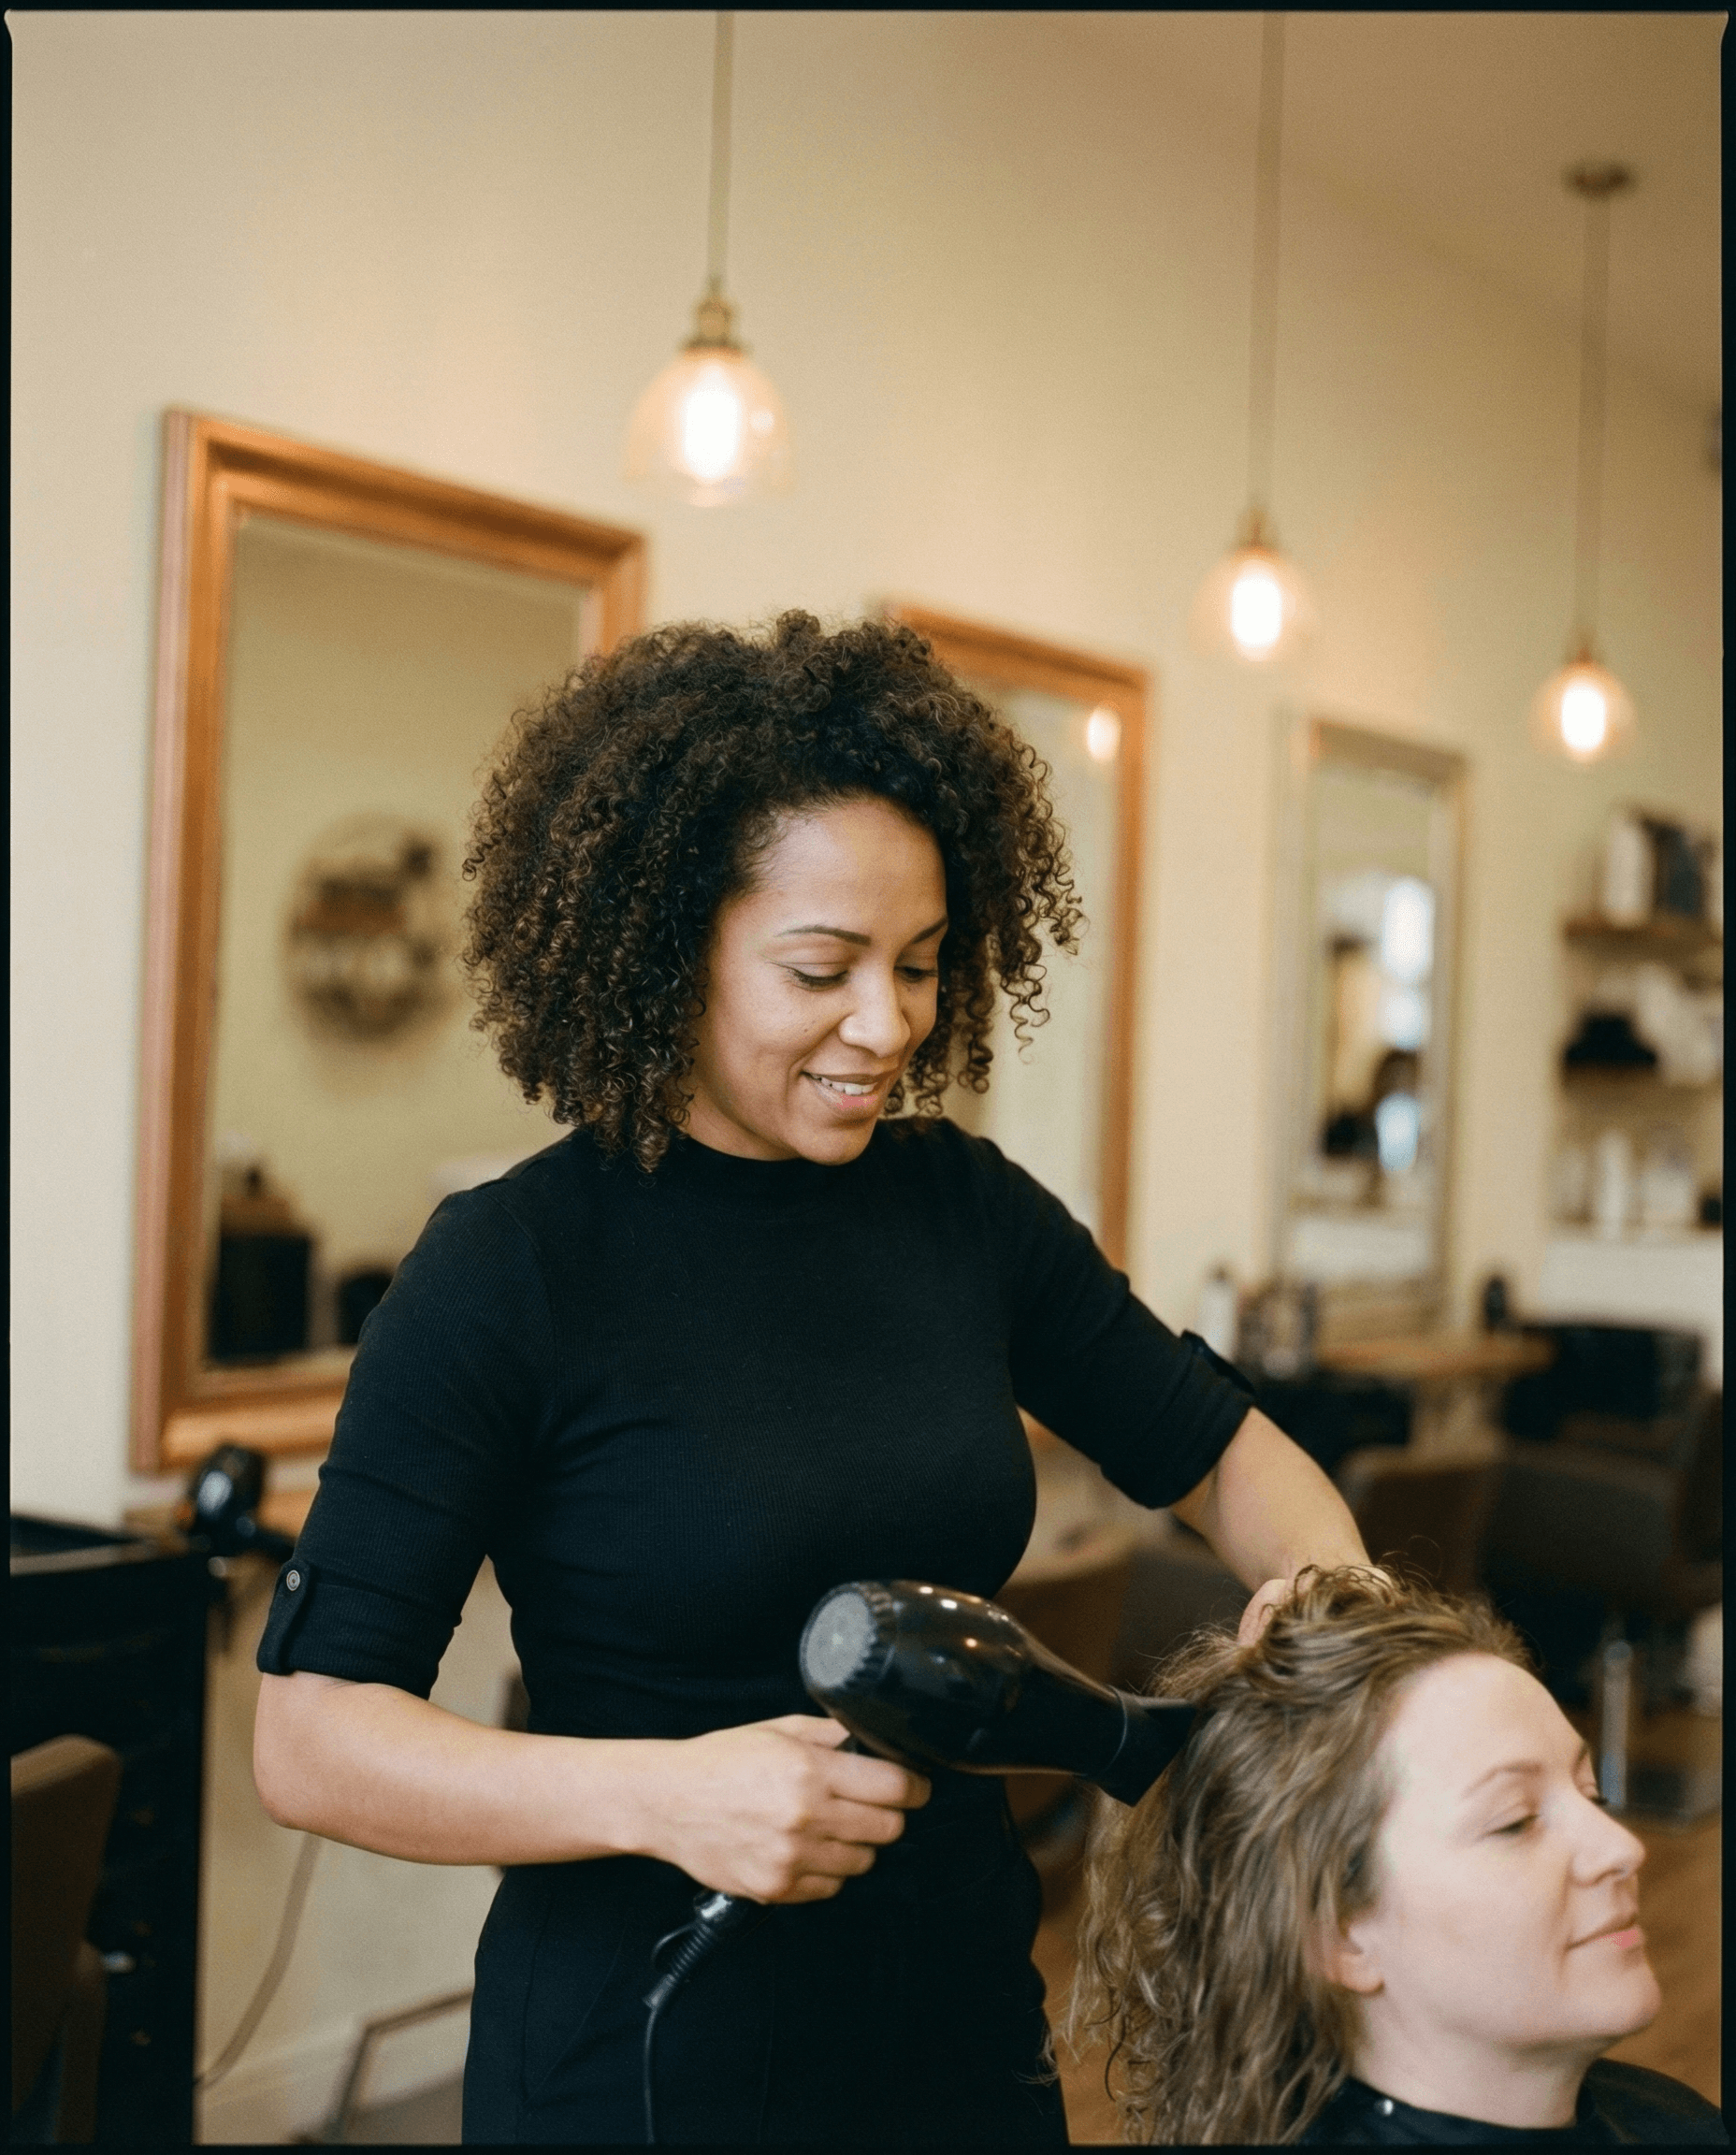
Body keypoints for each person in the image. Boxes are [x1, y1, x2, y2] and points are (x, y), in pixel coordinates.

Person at [252, 612, 1377, 2147]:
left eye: (917, 965)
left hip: (960, 2021)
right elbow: (312, 1735)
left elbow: (1220, 1446)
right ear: (668, 947)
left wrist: (1326, 1606)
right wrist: (665, 1795)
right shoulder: (510, 1267)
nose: (888, 1022)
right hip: (645, 2050)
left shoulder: (963, 1211)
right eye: (820, 966)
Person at [1072, 1567, 1725, 2145]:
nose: (1622, 1848)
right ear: (1340, 1935)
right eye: (1517, 1821)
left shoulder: (1674, 2118)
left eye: (1593, 1794)